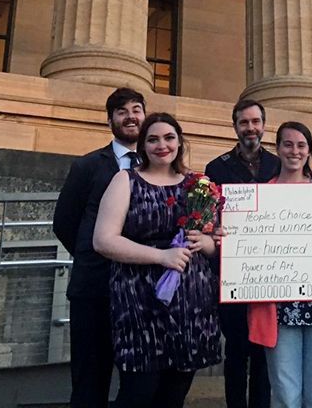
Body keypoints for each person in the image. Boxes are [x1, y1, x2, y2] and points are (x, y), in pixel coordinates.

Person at [93, 112, 221, 408]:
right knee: (138, 394)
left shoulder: (198, 183)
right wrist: (161, 256)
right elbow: (103, 240)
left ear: (179, 142)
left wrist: (206, 242)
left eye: (168, 138)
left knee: (174, 395)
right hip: (140, 305)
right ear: (142, 145)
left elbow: (214, 244)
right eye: (152, 139)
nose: (161, 145)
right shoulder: (125, 181)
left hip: (191, 306)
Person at [53, 87, 146, 408]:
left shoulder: (158, 167)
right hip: (94, 290)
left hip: (141, 293)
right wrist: (96, 254)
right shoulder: (88, 166)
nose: (131, 116)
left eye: (136, 109)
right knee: (90, 382)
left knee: (139, 381)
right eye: (122, 111)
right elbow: (65, 223)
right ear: (110, 120)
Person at [251, 121, 312, 408]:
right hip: (279, 308)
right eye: (288, 144)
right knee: (284, 393)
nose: (294, 150)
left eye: (301, 145)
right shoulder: (260, 193)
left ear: (309, 151)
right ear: (277, 148)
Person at [205, 98, 279, 408]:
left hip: (270, 274)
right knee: (235, 349)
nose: (250, 128)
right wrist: (214, 230)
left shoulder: (279, 164)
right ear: (235, 126)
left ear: (264, 125)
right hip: (231, 272)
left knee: (263, 351)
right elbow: (208, 217)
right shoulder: (216, 167)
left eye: (255, 121)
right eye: (244, 122)